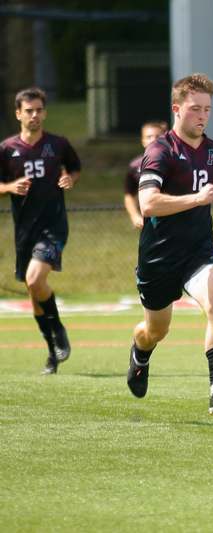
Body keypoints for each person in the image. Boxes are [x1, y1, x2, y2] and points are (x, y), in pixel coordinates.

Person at [127, 73, 213, 414]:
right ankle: (140, 352)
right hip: (159, 258)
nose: (202, 116)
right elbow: (148, 204)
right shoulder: (159, 151)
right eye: (194, 109)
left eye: (207, 109)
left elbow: (211, 175)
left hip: (199, 251)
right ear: (177, 109)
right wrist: (196, 199)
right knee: (155, 330)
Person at [0, 88, 80, 375]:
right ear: (18, 114)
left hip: (53, 226)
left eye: (38, 110)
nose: (34, 115)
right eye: (28, 110)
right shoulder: (7, 149)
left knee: (35, 279)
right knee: (34, 292)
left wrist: (69, 178)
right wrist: (9, 187)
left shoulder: (58, 144)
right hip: (25, 232)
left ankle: (58, 329)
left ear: (44, 113)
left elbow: (74, 169)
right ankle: (52, 352)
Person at [124, 121, 168, 229]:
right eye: (149, 137)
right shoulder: (135, 166)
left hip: (177, 220)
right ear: (143, 141)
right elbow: (129, 194)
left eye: (158, 136)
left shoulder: (176, 161)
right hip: (150, 223)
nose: (153, 140)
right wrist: (135, 216)